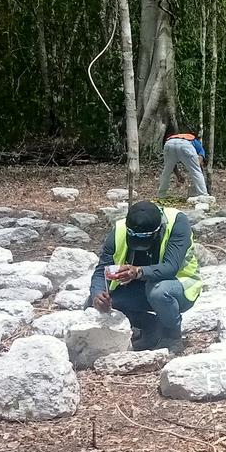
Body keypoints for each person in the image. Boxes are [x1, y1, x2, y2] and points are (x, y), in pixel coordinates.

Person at [89, 201, 203, 353]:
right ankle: (152, 327)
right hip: (140, 289)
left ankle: (172, 336)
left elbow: (171, 267)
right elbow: (101, 270)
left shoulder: (176, 223)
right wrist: (98, 294)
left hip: (178, 288)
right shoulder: (119, 230)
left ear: (158, 229)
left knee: (158, 292)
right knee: (95, 304)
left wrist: (138, 271)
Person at [157, 126, 209, 198]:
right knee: (196, 171)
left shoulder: (183, 136)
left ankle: (161, 195)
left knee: (166, 171)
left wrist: (178, 176)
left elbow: (173, 165)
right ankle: (204, 195)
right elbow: (198, 163)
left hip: (169, 143)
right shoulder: (199, 147)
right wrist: (199, 169)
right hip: (185, 144)